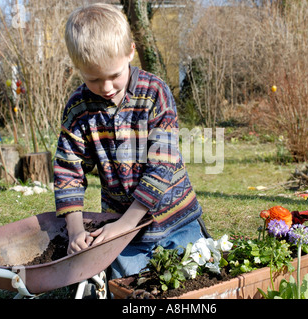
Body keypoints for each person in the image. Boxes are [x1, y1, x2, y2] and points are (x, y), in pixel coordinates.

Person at [54, 3, 207, 279]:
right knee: (130, 288)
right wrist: (75, 230)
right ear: (78, 68)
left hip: (176, 221)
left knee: (191, 282)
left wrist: (126, 224)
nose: (107, 87)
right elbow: (69, 169)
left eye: (114, 75)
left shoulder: (154, 93)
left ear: (130, 52)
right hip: (122, 235)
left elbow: (162, 166)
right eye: (94, 79)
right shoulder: (78, 108)